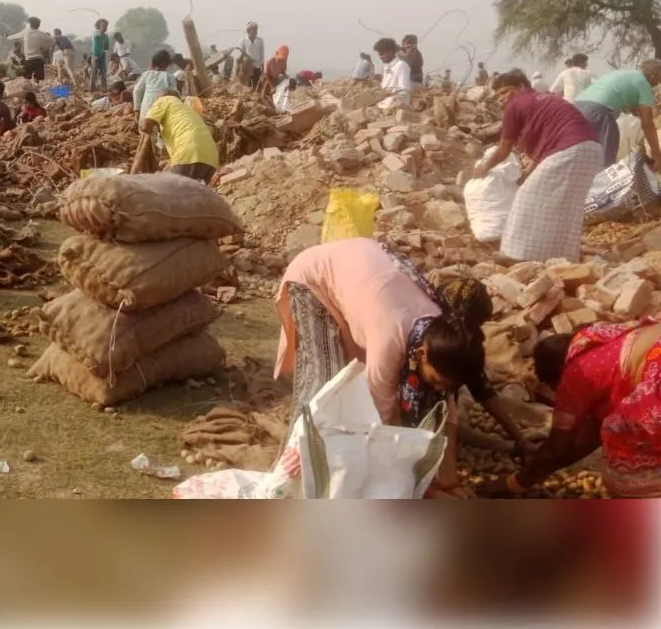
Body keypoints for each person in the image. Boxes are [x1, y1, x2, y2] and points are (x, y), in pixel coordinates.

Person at [274, 238, 523, 496]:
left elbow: (447, 410)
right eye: (437, 380)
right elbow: (375, 422)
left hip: (368, 282)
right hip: (315, 276)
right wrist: (412, 486)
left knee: (354, 392)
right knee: (322, 394)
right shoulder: (391, 337)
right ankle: (285, 477)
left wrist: (449, 479)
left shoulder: (444, 334)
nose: (439, 387)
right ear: (422, 354)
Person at [481, 320, 661, 498]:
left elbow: (557, 448)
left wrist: (513, 483)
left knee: (623, 477)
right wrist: (542, 467)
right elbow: (589, 435)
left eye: (553, 387)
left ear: (557, 375)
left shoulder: (576, 375)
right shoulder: (597, 339)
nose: (555, 394)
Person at [472, 70, 603, 263]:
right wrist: (528, 170)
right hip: (592, 149)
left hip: (570, 149)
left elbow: (504, 148)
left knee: (527, 198)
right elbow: (548, 140)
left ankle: (516, 254)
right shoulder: (544, 100)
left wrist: (483, 168)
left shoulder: (515, 106)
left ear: (521, 87)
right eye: (498, 95)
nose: (502, 99)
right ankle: (562, 257)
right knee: (566, 207)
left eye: (505, 92)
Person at [574, 59, 661, 169]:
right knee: (606, 161)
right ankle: (604, 184)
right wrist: (657, 155)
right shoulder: (643, 84)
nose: (659, 84)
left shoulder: (623, 74)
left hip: (576, 107)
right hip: (599, 112)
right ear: (655, 75)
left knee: (583, 154)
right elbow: (647, 124)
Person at [140, 92, 219, 184]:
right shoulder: (185, 110)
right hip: (211, 159)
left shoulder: (165, 100)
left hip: (190, 153)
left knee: (165, 191)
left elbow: (145, 125)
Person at [132, 50, 179, 118]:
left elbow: (137, 91)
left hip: (147, 109)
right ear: (167, 64)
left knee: (145, 126)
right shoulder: (169, 76)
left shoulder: (146, 74)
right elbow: (175, 94)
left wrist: (137, 110)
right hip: (163, 109)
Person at [10, 18, 52, 83]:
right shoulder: (41, 33)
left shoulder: (26, 32)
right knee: (38, 79)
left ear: (30, 24)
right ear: (38, 25)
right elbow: (52, 40)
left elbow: (15, 36)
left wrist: (8, 36)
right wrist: (45, 48)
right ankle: (37, 90)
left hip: (29, 59)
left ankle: (28, 89)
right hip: (38, 59)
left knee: (26, 78)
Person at [375, 37, 412, 106]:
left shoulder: (401, 65)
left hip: (395, 107)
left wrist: (390, 95)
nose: (380, 57)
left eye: (382, 54)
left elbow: (404, 91)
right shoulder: (386, 67)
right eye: (379, 55)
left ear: (391, 52)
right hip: (383, 105)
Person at [239, 22, 265, 88]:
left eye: (256, 29)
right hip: (247, 66)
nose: (256, 31)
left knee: (257, 85)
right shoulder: (243, 41)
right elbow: (241, 55)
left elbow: (262, 55)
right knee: (247, 85)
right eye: (254, 29)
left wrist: (263, 68)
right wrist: (241, 68)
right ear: (249, 30)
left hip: (257, 66)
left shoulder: (260, 40)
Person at [90, 19, 111, 90]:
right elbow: (97, 36)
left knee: (103, 72)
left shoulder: (105, 36)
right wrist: (102, 28)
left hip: (102, 55)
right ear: (99, 26)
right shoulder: (95, 33)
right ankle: (92, 87)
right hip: (95, 55)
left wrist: (105, 44)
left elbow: (107, 47)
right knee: (94, 72)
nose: (105, 28)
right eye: (104, 26)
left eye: (106, 26)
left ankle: (104, 87)